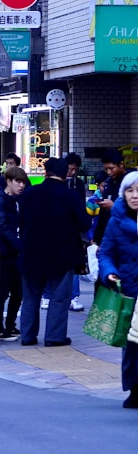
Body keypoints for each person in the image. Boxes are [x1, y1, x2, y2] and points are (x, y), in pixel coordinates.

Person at [18, 158, 91, 347]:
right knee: (59, 297)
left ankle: (27, 336)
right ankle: (54, 337)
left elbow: (22, 223)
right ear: (65, 173)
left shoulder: (29, 194)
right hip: (63, 254)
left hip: (32, 253)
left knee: (31, 297)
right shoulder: (70, 196)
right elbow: (84, 223)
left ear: (46, 172)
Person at [97, 171, 138, 408]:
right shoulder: (116, 220)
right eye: (130, 190)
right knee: (132, 343)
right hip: (130, 291)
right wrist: (109, 272)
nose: (135, 196)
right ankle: (134, 388)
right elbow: (106, 252)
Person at [0, 167, 28, 341]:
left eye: (23, 182)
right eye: (18, 181)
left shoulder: (18, 201)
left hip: (15, 252)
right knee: (3, 292)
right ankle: (0, 327)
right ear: (8, 181)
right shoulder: (0, 200)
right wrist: (19, 245)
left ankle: (10, 325)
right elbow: (3, 228)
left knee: (18, 291)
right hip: (4, 252)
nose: (21, 185)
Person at [95, 148, 133, 245]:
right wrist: (97, 239)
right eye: (106, 169)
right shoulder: (108, 182)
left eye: (111, 168)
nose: (108, 172)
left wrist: (114, 207)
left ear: (121, 164)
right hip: (110, 237)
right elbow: (102, 216)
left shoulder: (132, 181)